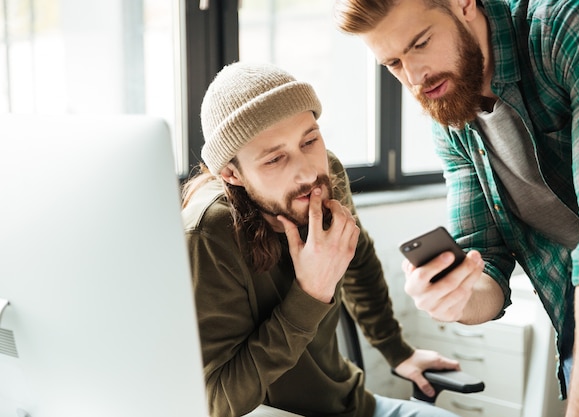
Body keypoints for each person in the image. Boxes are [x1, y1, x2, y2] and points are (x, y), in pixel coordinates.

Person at [333, 0, 579, 415]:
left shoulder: (569, 26)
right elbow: (485, 259)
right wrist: (455, 297)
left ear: (464, 4)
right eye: (394, 64)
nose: (415, 78)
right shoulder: (451, 113)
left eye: (421, 43)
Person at [181, 61, 463, 417]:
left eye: (309, 140)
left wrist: (398, 351)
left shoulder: (325, 177)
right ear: (232, 174)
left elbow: (358, 258)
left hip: (353, 404)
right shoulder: (210, 232)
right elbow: (218, 401)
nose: (308, 171)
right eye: (275, 159)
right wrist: (310, 294)